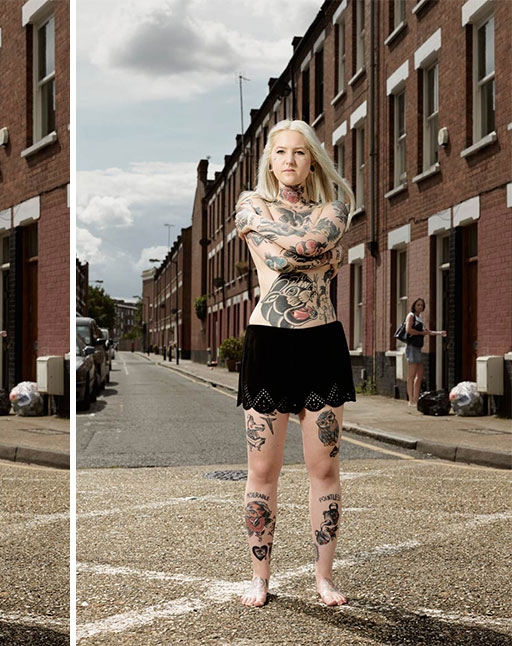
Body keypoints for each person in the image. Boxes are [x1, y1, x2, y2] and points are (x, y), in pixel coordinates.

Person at [233, 119, 357, 608]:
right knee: (262, 471)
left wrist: (286, 244)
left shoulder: (335, 207)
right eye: (280, 151)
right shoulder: (248, 202)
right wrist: (309, 250)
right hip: (268, 343)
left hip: (321, 344)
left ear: (312, 162)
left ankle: (324, 579)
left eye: (300, 153)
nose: (289, 160)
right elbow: (296, 259)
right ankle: (260, 578)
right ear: (269, 159)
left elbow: (303, 246)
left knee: (323, 469)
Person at [404, 298, 446, 407]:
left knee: (420, 375)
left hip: (418, 348)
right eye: (418, 305)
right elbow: (408, 330)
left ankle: (416, 399)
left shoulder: (420, 318)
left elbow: (426, 332)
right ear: (414, 306)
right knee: (411, 376)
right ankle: (411, 400)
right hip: (412, 348)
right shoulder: (411, 316)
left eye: (422, 305)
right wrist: (420, 333)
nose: (420, 307)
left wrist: (439, 333)